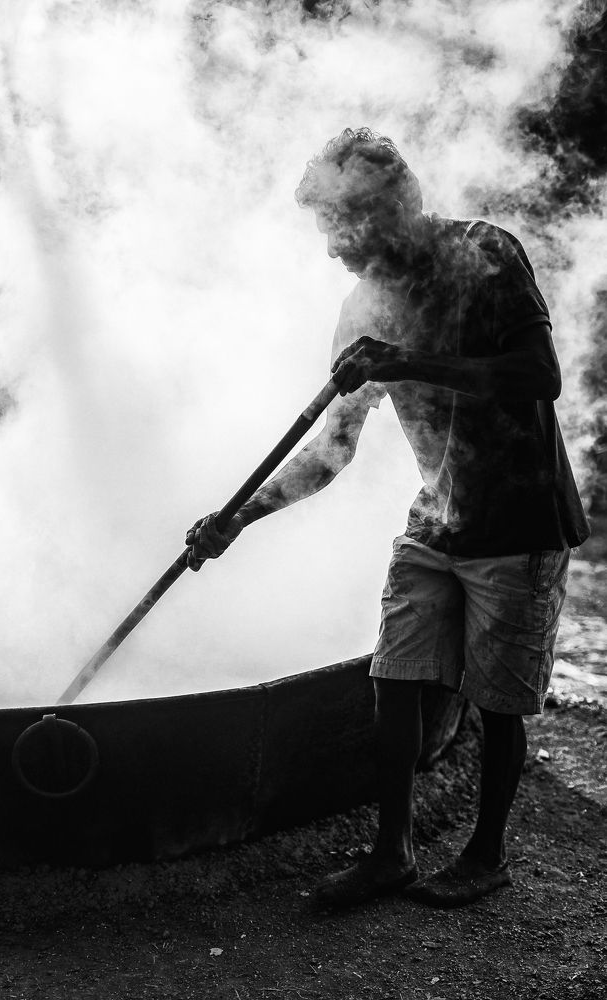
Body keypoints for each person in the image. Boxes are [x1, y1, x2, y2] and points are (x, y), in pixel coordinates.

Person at [185, 128, 590, 908]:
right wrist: (239, 518)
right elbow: (332, 450)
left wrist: (407, 361)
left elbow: (539, 376)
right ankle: (392, 852)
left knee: (499, 701)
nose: (333, 248)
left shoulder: (487, 253)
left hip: (521, 521)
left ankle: (486, 855)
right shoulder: (362, 309)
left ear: (391, 209)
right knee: (394, 679)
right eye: (326, 228)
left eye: (342, 225)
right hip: (436, 520)